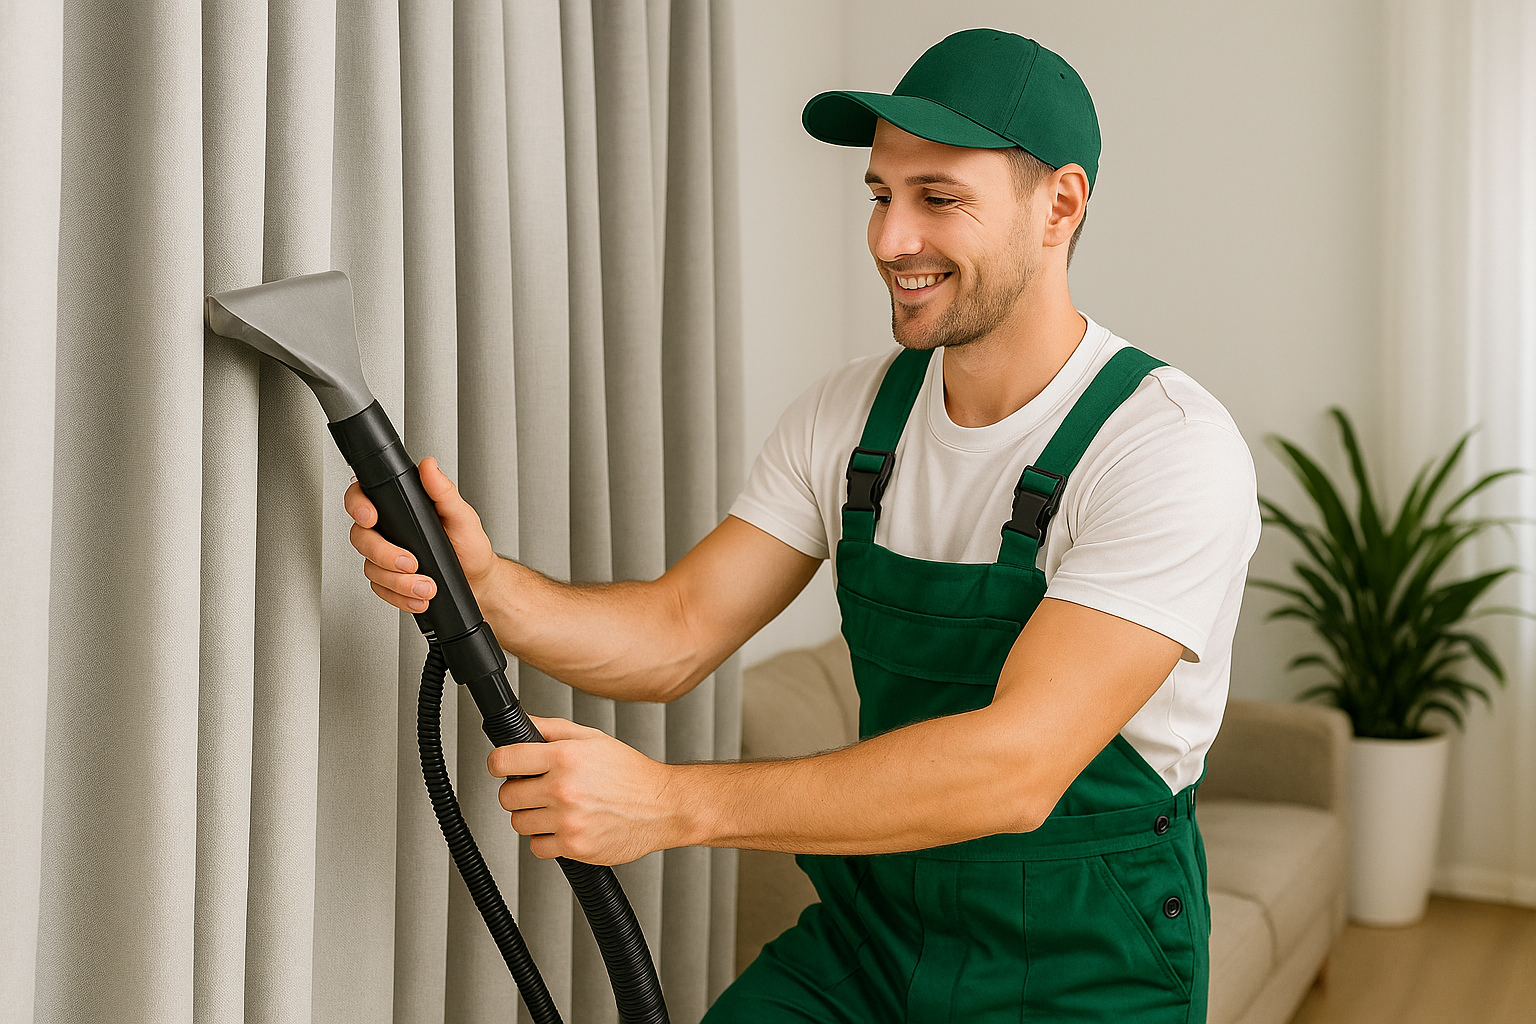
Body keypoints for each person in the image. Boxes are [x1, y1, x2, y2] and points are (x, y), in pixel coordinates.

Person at [346, 27, 1259, 1023]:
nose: (890, 240)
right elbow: (676, 631)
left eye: (938, 198)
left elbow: (1015, 768)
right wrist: (485, 582)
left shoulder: (1164, 448)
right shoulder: (851, 418)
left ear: (1062, 205)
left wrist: (667, 804)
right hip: (877, 934)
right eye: (880, 195)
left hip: (1086, 962)